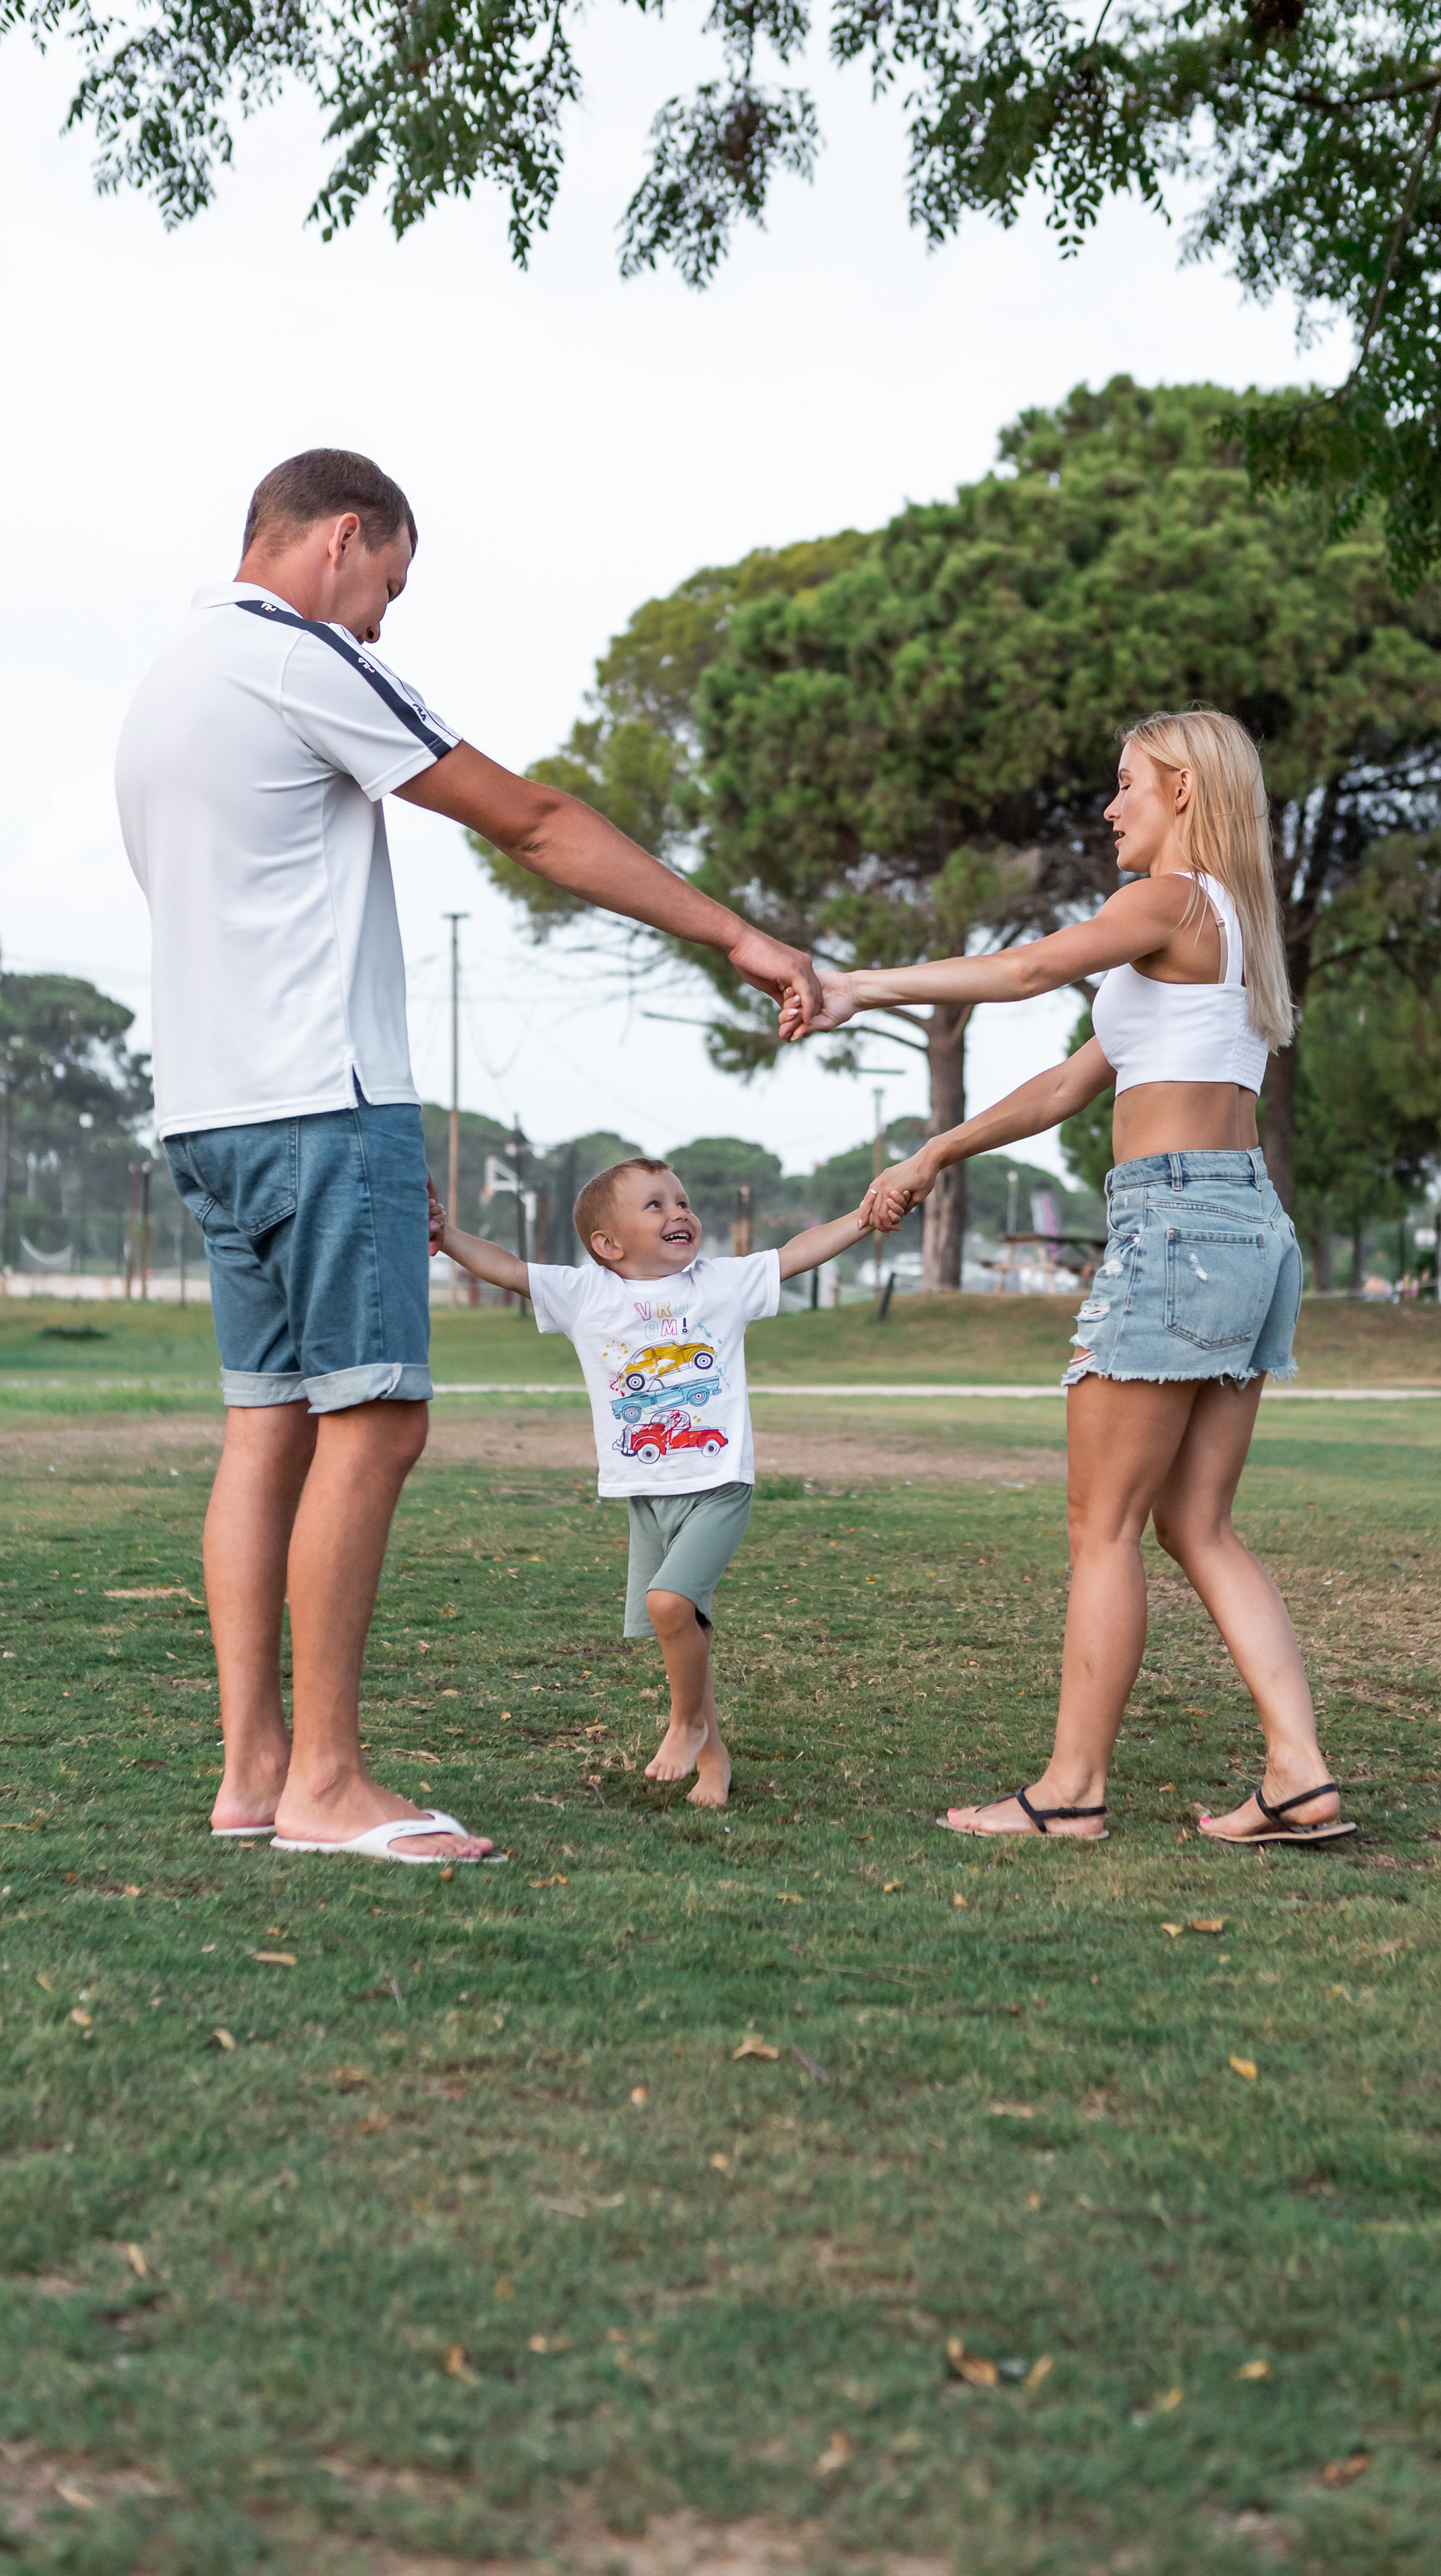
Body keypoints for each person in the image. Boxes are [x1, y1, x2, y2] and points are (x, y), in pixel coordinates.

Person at [117, 449, 822, 1866]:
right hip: (324, 1105)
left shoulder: (166, 686)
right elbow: (535, 821)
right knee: (374, 1421)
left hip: (208, 1112)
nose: (382, 620)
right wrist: (733, 935)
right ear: (340, 538)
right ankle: (326, 1783)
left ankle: (255, 1773)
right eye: (387, 584)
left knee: (268, 1428)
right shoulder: (294, 656)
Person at [814, 708, 1354, 1847]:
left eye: (1127, 785)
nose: (1110, 807)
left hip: (1178, 1222)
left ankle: (1071, 1789)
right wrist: (934, 1154)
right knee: (1197, 1523)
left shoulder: (1169, 901)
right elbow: (1071, 1085)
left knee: (1102, 1530)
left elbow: (1027, 966)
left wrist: (859, 986)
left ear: (1185, 795)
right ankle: (1299, 1774)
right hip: (1248, 1221)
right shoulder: (1227, 933)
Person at [429, 1159, 888, 1806]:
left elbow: (795, 1253)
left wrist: (863, 1217)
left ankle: (687, 1724)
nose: (679, 1212)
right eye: (655, 1205)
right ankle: (714, 1760)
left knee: (669, 1605)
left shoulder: (719, 1285)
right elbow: (507, 1268)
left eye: (682, 1200)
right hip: (643, 1493)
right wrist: (446, 1236)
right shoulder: (586, 1295)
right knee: (683, 1628)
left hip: (717, 1482)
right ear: (607, 1246)